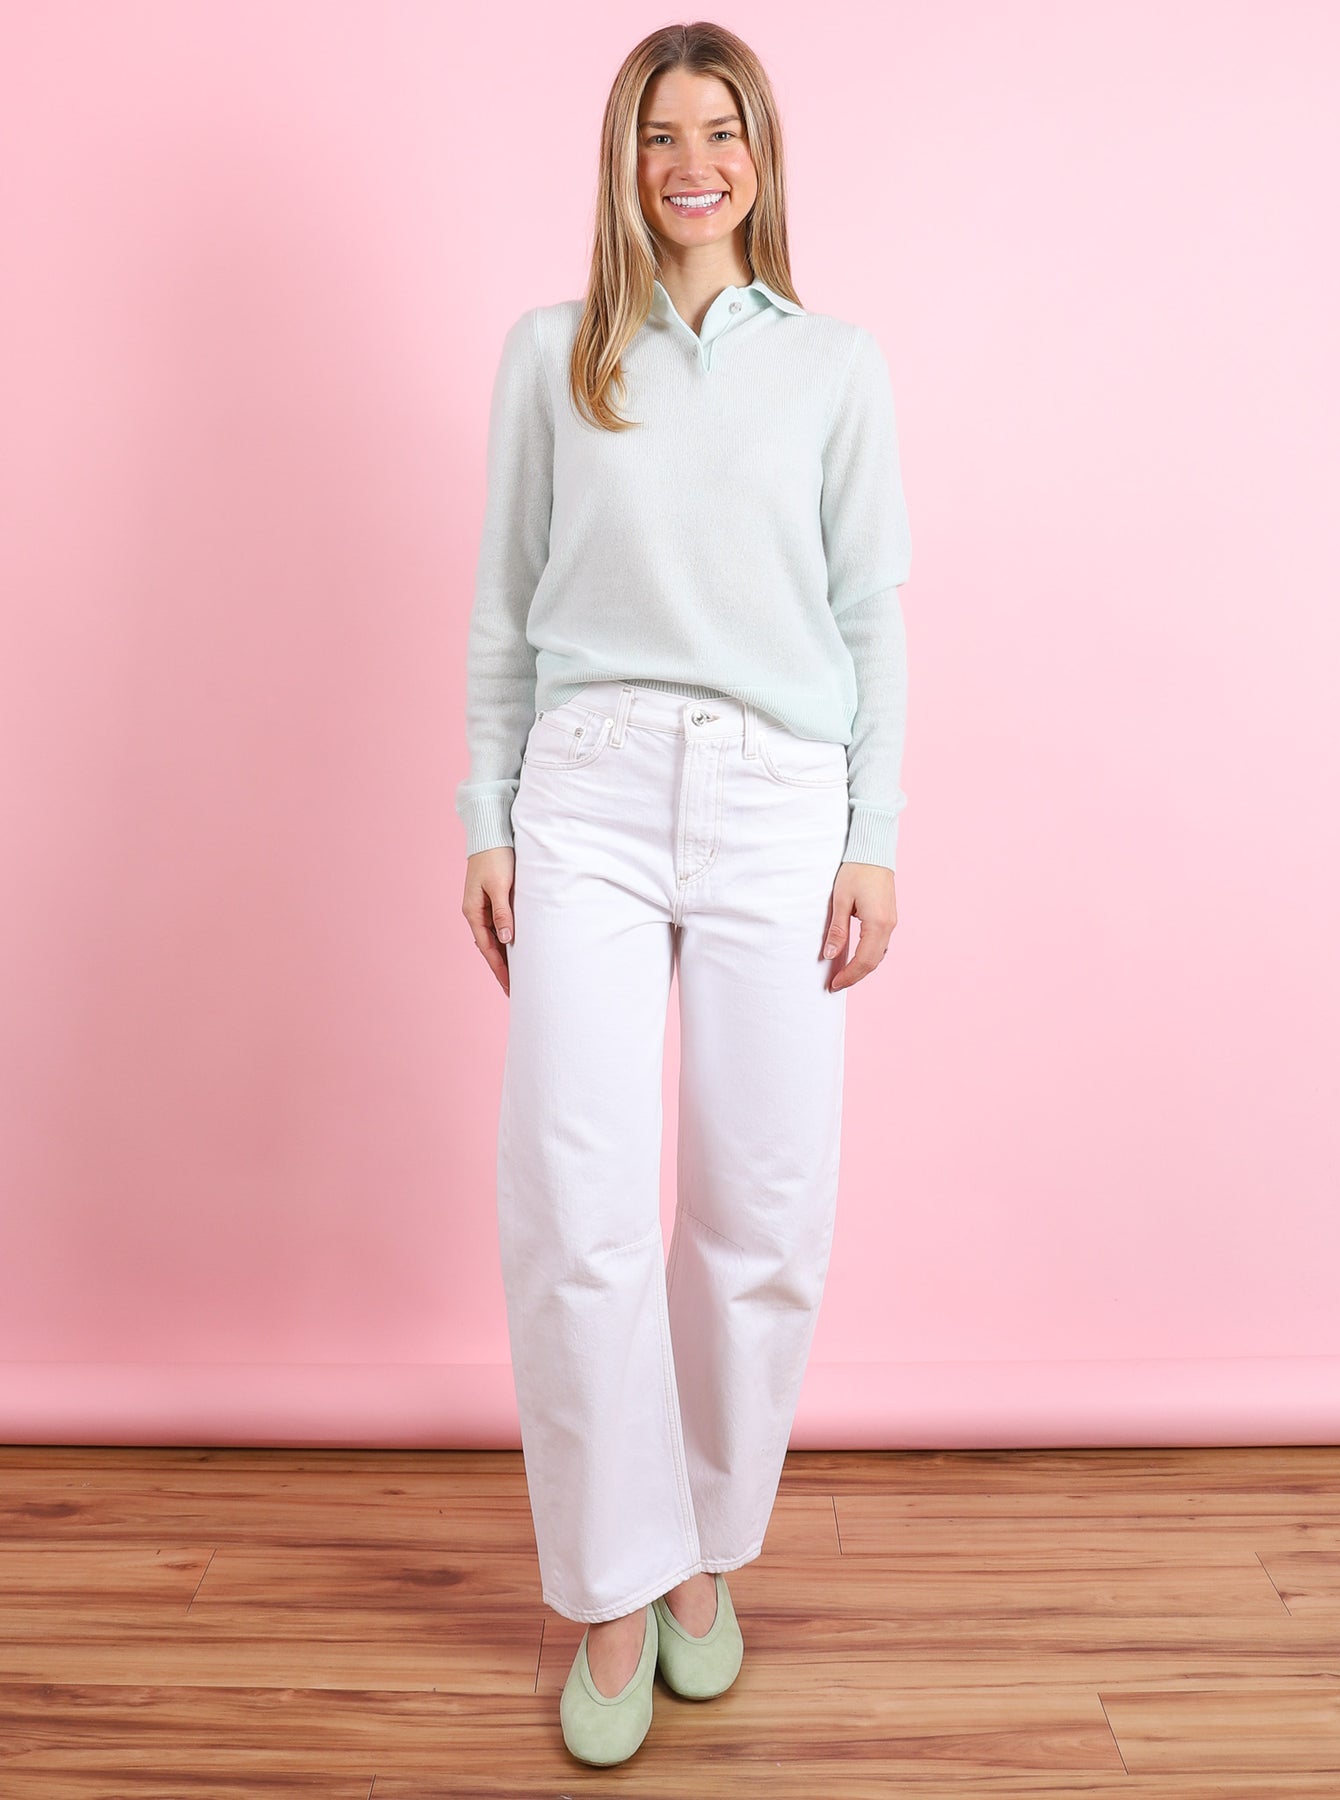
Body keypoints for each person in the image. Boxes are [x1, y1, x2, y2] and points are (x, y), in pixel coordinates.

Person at [456, 21, 912, 1768]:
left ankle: (705, 1547)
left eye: (721, 131)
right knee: (571, 1204)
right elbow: (502, 609)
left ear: (761, 156)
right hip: (583, 790)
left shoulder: (837, 368)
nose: (692, 163)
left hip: (779, 799)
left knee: (761, 1207)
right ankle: (609, 1582)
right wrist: (483, 814)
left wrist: (875, 831)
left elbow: (869, 616)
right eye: (661, 134)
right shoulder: (552, 353)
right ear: (623, 159)